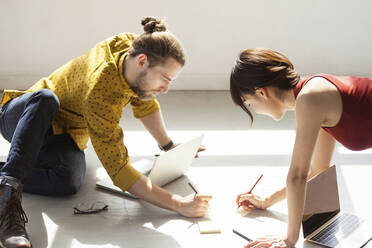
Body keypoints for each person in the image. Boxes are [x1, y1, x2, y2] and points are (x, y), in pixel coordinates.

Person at [0, 17, 212, 248]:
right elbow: (118, 168)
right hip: (24, 117)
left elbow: (145, 102)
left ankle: (6, 173)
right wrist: (178, 204)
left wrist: (168, 145)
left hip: (63, 134)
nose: (166, 88)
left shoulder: (133, 51)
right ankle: (7, 197)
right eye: (165, 78)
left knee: (68, 181)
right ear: (143, 61)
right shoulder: (101, 90)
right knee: (46, 99)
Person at [230, 48, 372, 248]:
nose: (255, 110)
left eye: (250, 104)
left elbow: (297, 174)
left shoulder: (310, 99)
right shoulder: (313, 97)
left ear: (262, 92)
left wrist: (289, 240)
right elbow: (317, 170)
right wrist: (267, 200)